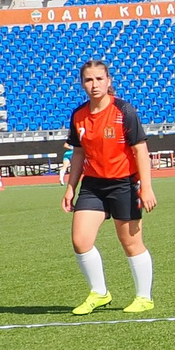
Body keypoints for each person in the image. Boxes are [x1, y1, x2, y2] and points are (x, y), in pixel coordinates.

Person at [62, 60, 157, 314]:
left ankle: (143, 297)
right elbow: (79, 154)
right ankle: (99, 293)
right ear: (82, 83)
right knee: (80, 240)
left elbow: (140, 150)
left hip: (124, 184)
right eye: (88, 80)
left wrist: (145, 187)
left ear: (109, 81)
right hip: (93, 185)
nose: (94, 85)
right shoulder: (78, 115)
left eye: (99, 79)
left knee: (131, 243)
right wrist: (71, 187)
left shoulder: (124, 111)